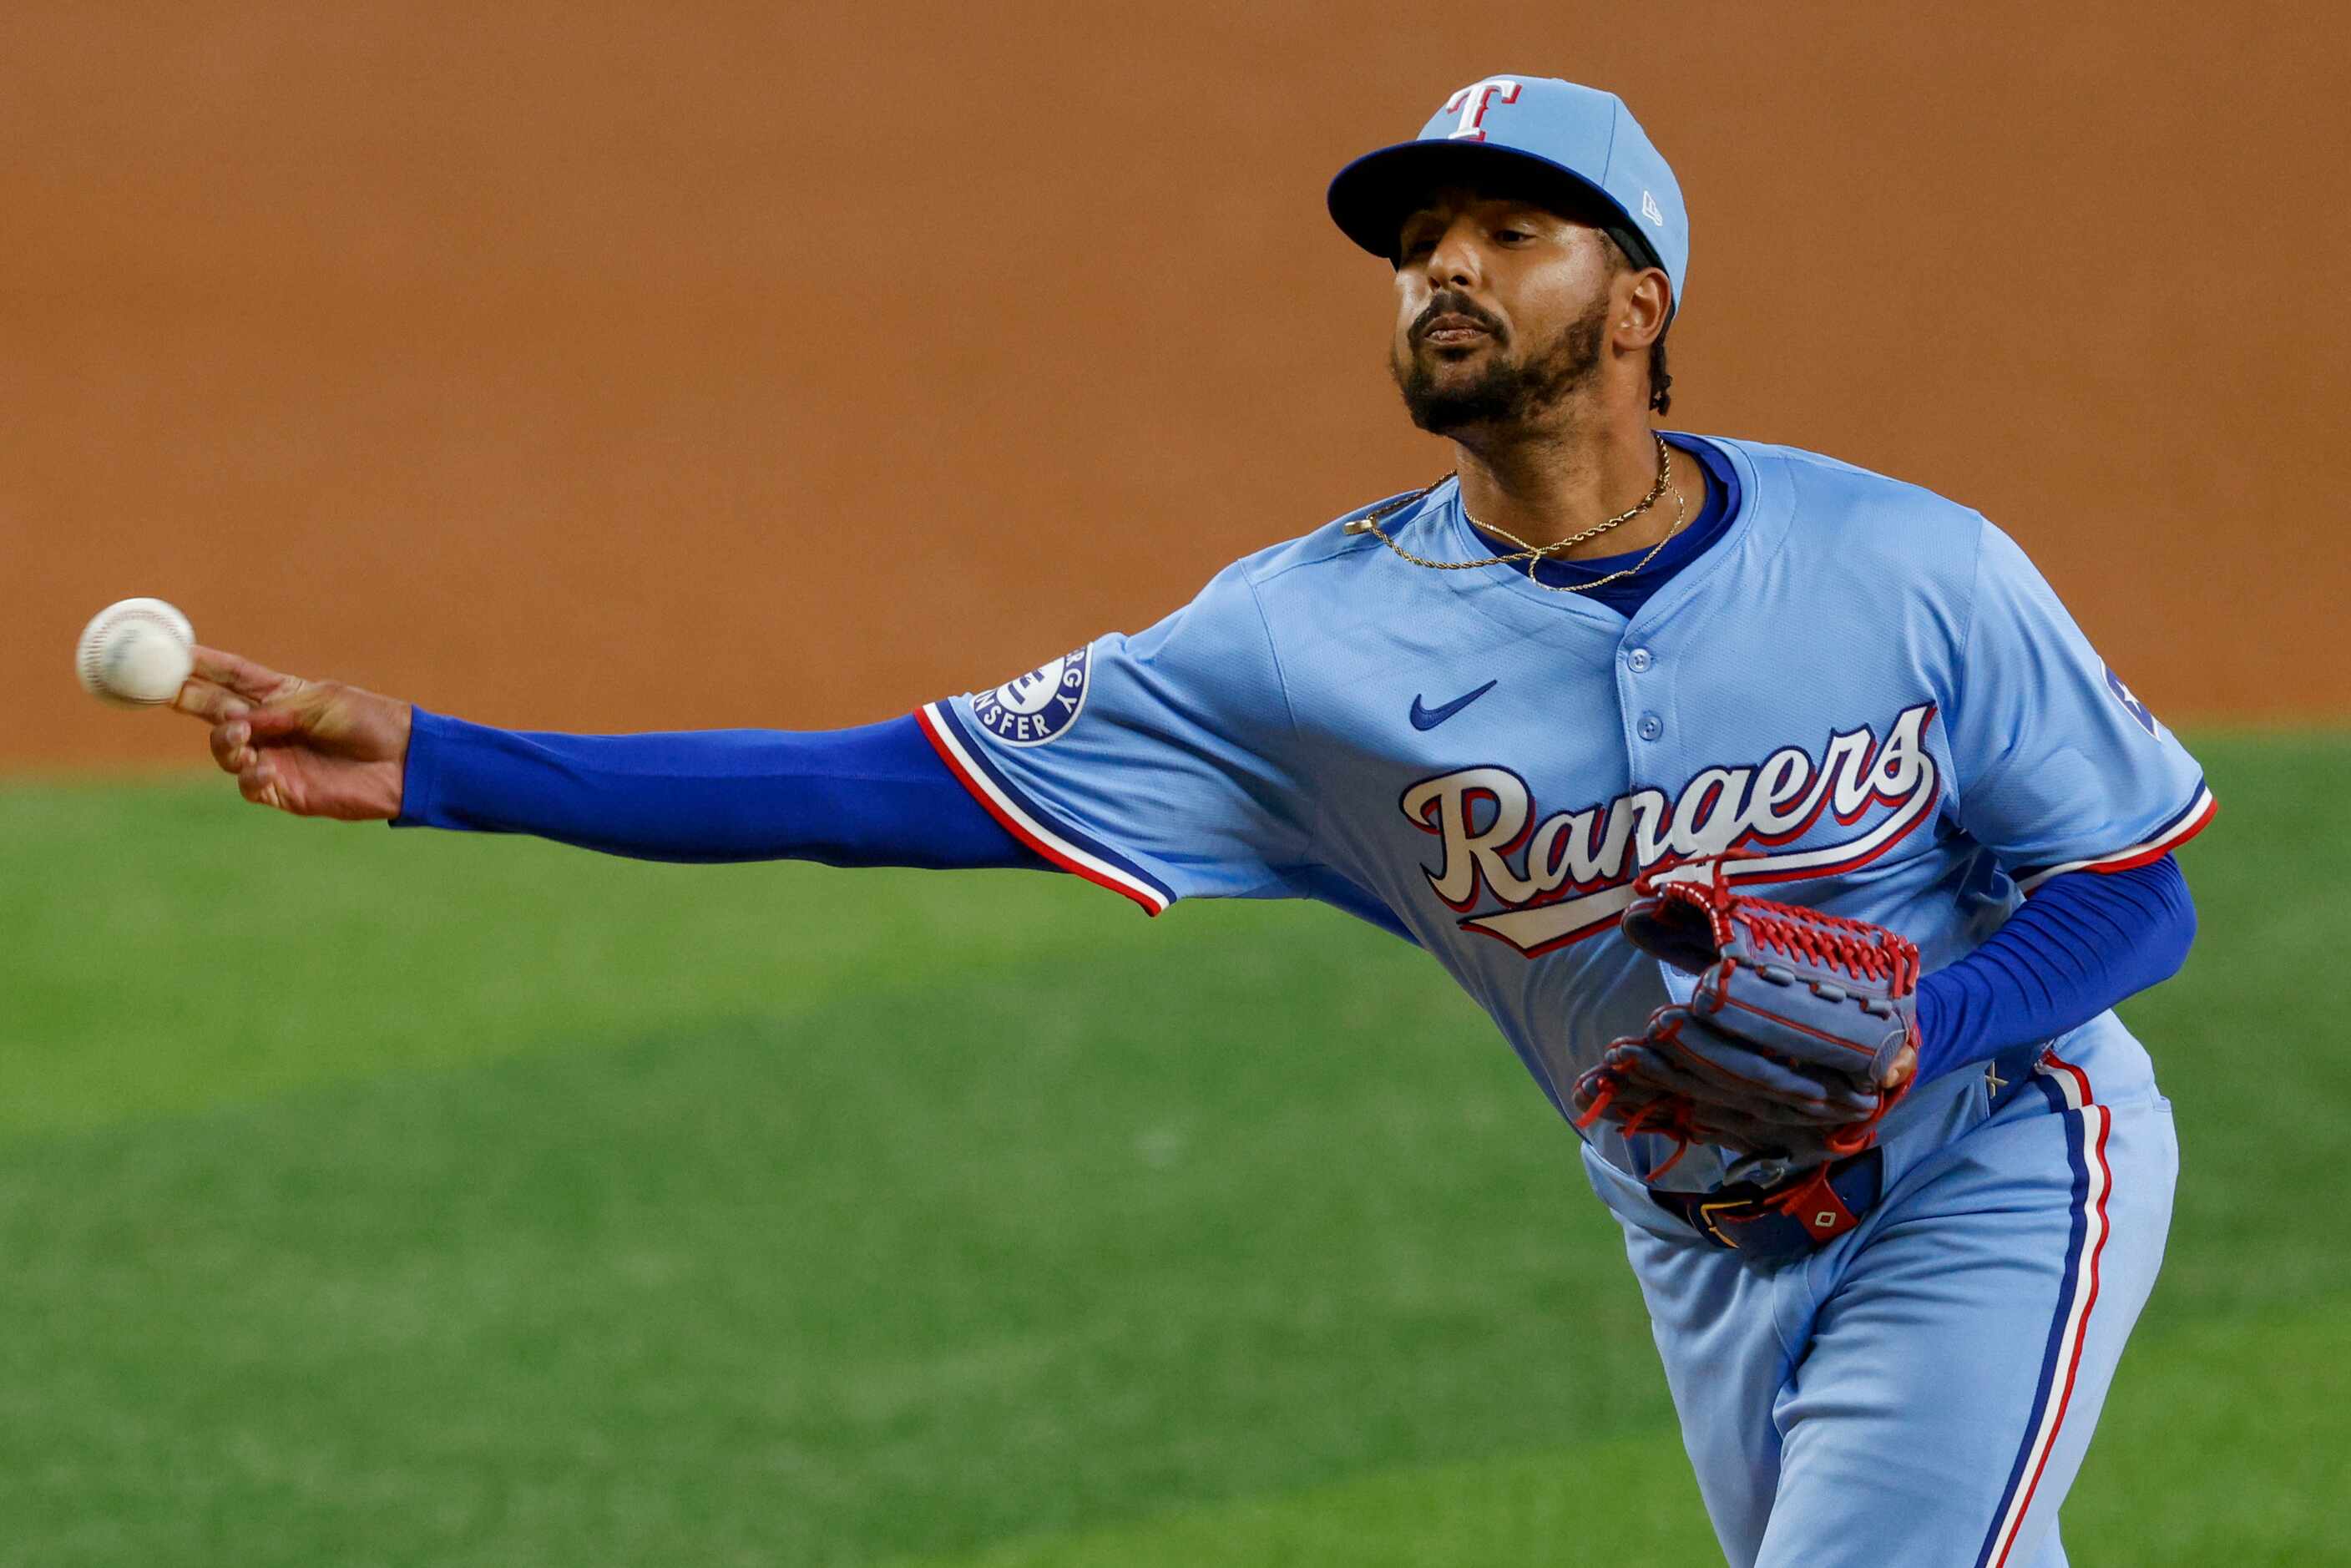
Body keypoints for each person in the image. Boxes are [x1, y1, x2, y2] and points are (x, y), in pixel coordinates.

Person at [170, 75, 2211, 1568]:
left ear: (1641, 295)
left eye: (1509, 231)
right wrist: (447, 760)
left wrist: (1917, 1035)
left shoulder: (1910, 565)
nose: (1444, 270)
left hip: (2002, 1156)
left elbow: (2131, 885)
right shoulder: (1296, 645)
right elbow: (889, 783)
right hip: (1698, 1243)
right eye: (1420, 243)